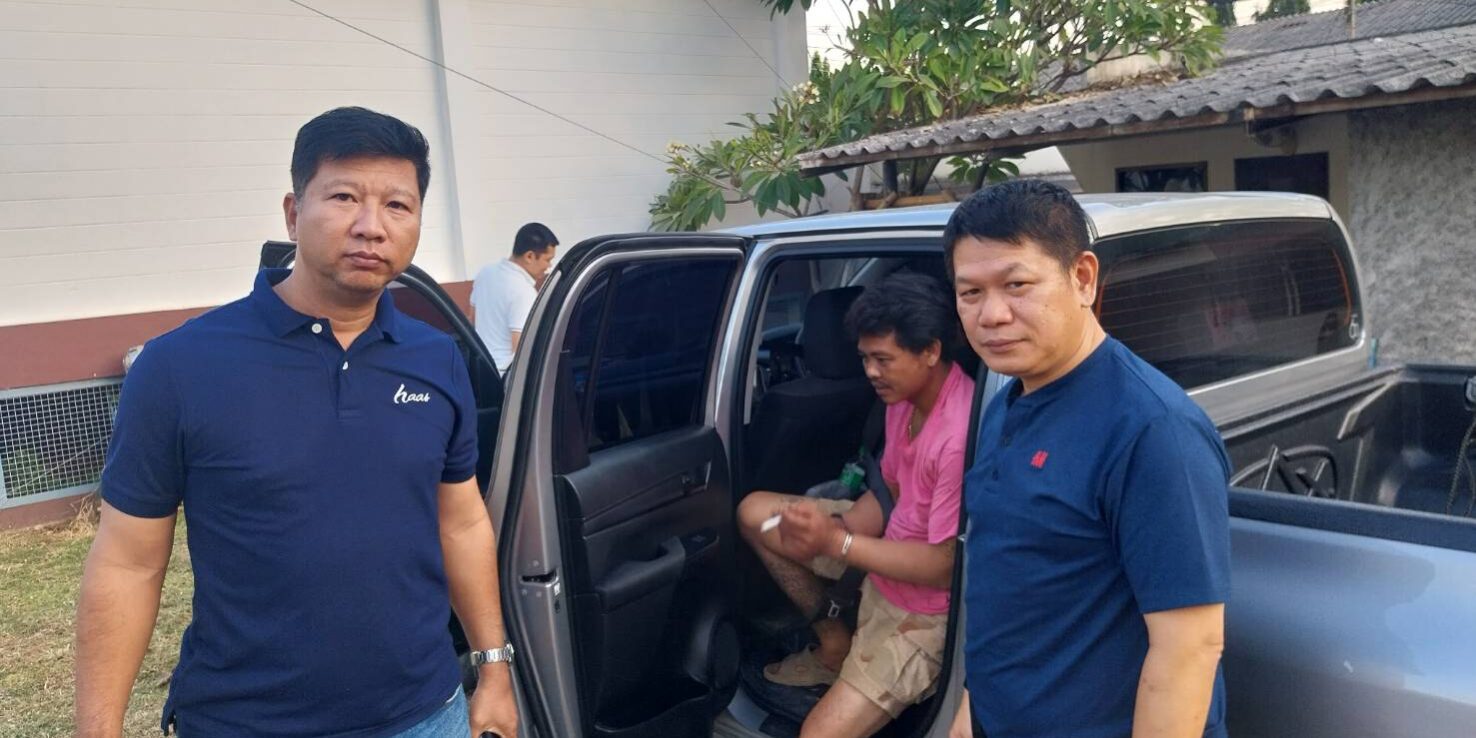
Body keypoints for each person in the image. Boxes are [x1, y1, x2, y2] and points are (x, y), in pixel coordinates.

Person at [74, 107, 518, 738]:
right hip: (245, 721)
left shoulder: (437, 358)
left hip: (427, 712)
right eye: (344, 197)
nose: (371, 226)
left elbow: (461, 521)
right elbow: (127, 563)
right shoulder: (181, 367)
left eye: (398, 205)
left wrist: (494, 666)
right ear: (292, 212)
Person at [945, 180, 1231, 738]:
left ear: (1082, 278)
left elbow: (1189, 647)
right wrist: (969, 713)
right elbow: (1013, 585)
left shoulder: (1151, 430)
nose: (992, 314)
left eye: (1017, 285)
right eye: (971, 293)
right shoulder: (1010, 403)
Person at [737, 273, 975, 738]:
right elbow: (892, 494)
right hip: (882, 561)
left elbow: (944, 567)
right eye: (865, 358)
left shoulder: (958, 435)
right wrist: (834, 527)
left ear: (930, 351)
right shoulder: (903, 399)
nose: (870, 372)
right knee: (755, 513)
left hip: (923, 612)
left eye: (882, 359)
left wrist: (836, 543)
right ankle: (834, 643)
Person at [470, 222, 558, 375]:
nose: (549, 266)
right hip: (505, 376)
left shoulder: (485, 273)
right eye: (547, 260)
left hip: (481, 371)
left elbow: (472, 319)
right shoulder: (524, 292)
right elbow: (522, 350)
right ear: (529, 256)